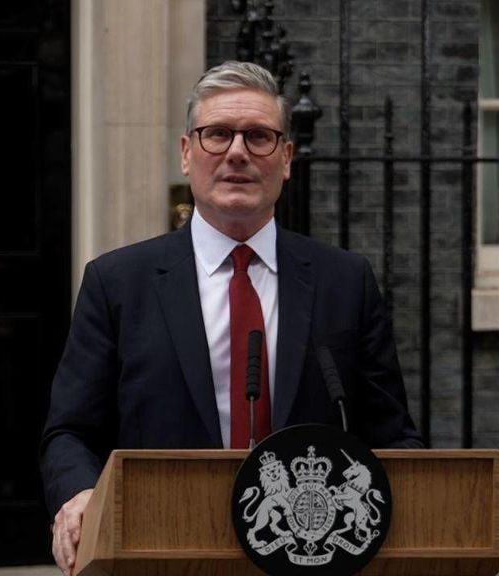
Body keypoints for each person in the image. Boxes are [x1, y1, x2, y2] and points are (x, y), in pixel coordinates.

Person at [41, 61, 423, 575]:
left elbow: (393, 435)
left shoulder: (345, 282)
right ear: (186, 153)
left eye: (259, 136)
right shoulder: (117, 283)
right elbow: (70, 432)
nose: (237, 152)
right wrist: (79, 494)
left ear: (286, 159)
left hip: (311, 555)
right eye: (218, 134)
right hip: (161, 549)